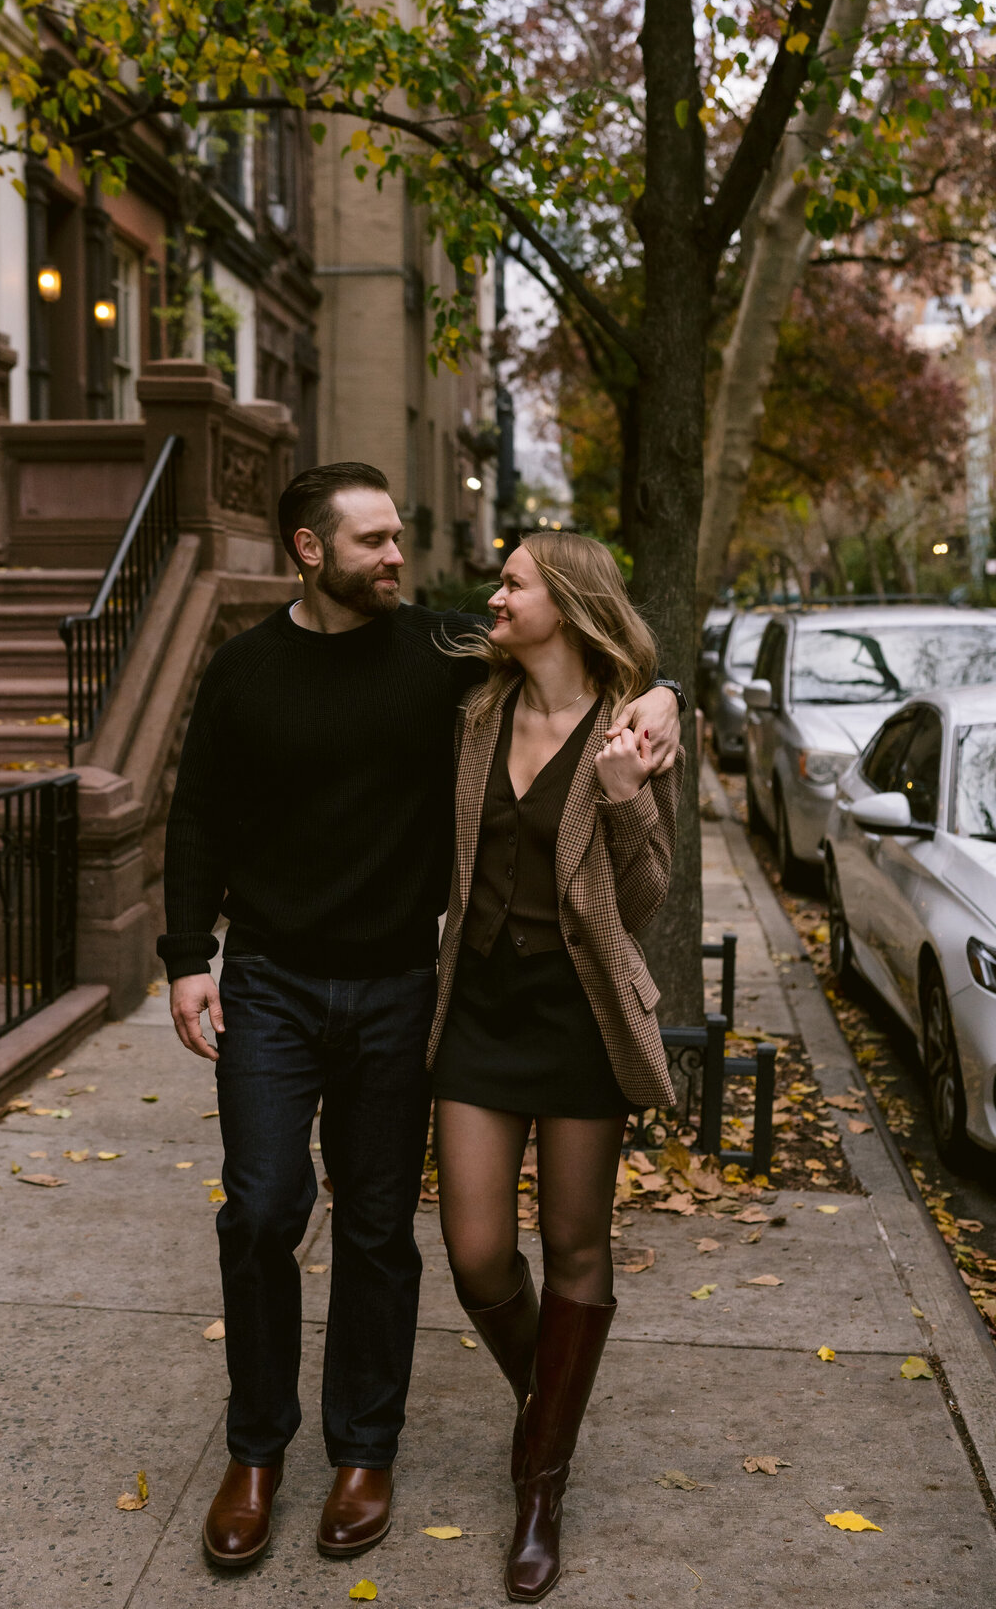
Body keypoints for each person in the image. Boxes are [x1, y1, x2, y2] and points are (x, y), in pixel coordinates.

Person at [159, 462, 684, 1572]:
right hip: (273, 979)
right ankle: (256, 1451)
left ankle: (370, 1451)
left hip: (404, 986)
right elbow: (199, 811)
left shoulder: (443, 653)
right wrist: (183, 957)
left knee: (378, 1226)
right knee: (260, 1209)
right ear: (312, 550)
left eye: (401, 537)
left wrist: (663, 694)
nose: (401, 558)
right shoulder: (249, 671)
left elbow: (593, 656)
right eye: (376, 542)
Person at [429, 530, 683, 1603]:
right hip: (479, 1011)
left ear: (568, 604)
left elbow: (648, 896)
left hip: (578, 1017)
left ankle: (542, 1484)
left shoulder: (628, 729)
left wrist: (628, 791)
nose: (496, 593)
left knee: (576, 1244)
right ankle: (550, 1404)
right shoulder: (477, 712)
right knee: (477, 1249)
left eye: (514, 582)